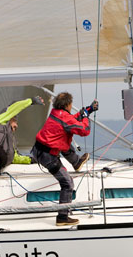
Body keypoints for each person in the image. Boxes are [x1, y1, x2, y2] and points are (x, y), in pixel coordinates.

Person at [31, 92, 98, 226]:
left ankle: (77, 162)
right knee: (68, 183)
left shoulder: (56, 112)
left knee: (65, 138)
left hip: (39, 150)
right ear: (67, 104)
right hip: (47, 156)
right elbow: (84, 130)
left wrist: (88, 110)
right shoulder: (64, 119)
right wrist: (85, 118)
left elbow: (71, 120)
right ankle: (62, 217)